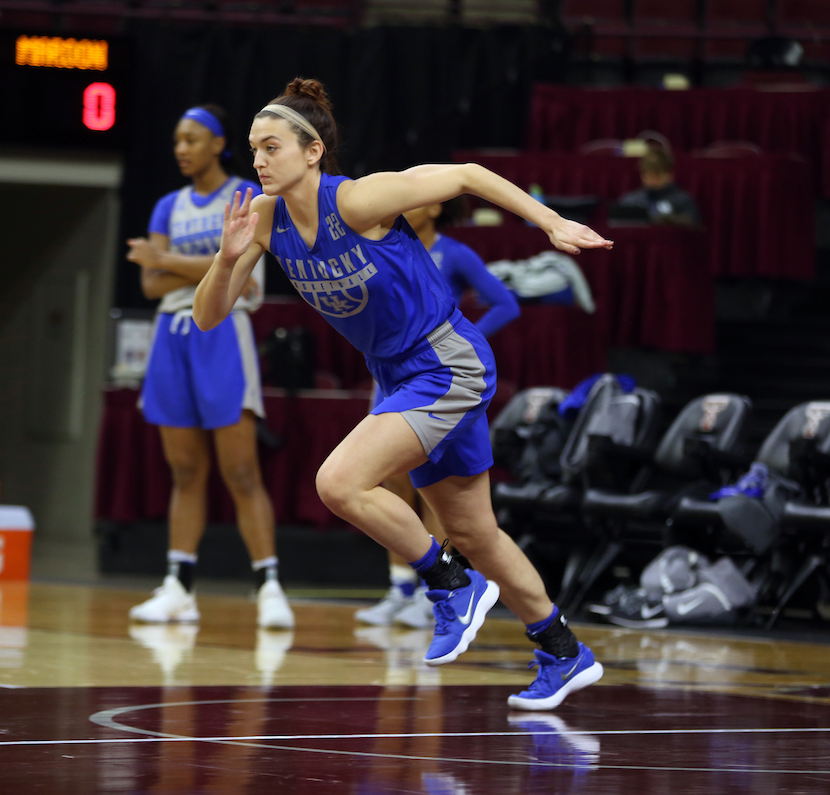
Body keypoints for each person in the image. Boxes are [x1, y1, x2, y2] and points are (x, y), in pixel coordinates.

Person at [193, 78, 608, 710]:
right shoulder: (265, 220)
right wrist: (224, 262)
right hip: (399, 373)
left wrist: (550, 223)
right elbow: (207, 316)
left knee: (339, 484)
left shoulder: (359, 201)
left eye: (271, 146)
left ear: (311, 151)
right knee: (476, 531)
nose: (258, 160)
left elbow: (468, 173)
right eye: (252, 149)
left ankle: (449, 585)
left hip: (445, 361)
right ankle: (562, 649)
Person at [127, 104, 294, 630]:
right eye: (177, 139)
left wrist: (167, 261)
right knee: (185, 470)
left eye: (192, 139)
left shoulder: (248, 196)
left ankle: (268, 586)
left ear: (220, 144)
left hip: (224, 332)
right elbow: (149, 287)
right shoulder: (166, 206)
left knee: (241, 470)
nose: (181, 148)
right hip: (171, 336)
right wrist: (211, 263)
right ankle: (179, 585)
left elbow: (241, 281)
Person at [355, 197, 521, 629]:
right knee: (387, 478)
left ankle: (438, 591)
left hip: (439, 374)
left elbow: (505, 303)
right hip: (393, 376)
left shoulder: (455, 252)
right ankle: (398, 587)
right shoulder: (381, 240)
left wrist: (460, 342)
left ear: (433, 210)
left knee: (433, 484)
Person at [611, 147, 701, 227]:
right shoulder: (630, 201)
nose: (652, 180)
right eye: (648, 175)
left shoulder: (683, 201)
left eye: (657, 176)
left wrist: (670, 220)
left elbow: (693, 228)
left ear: (670, 174)